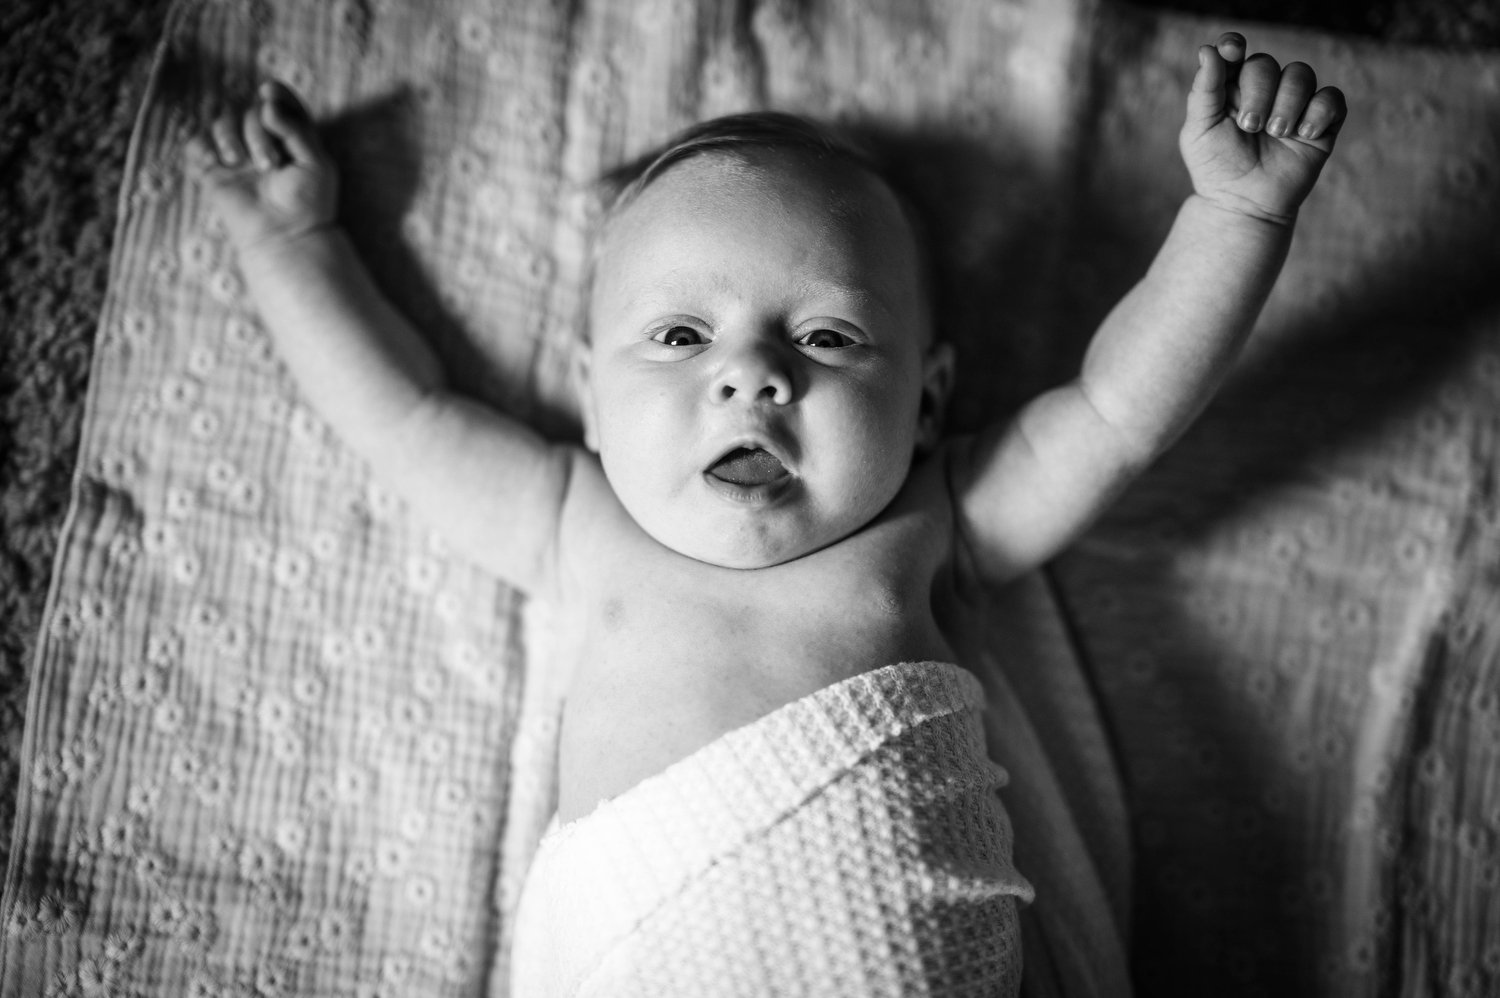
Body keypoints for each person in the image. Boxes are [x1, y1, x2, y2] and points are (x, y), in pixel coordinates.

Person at [186, 30, 1345, 997]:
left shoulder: (937, 522)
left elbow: (1115, 411)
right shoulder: (576, 523)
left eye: (828, 335)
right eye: (682, 336)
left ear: (928, 400)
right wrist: (292, 242)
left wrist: (1234, 220)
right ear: (591, 392)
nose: (753, 376)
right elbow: (404, 415)